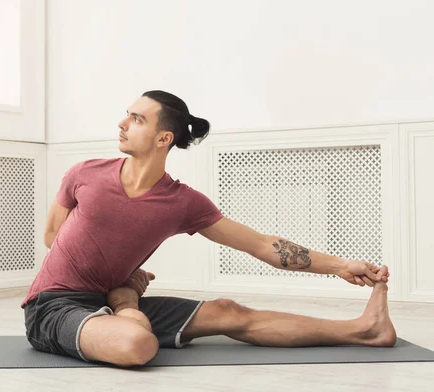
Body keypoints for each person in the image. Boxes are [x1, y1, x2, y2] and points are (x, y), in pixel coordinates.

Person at [22, 90, 396, 367]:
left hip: (105, 299)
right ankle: (125, 306)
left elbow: (263, 245)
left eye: (136, 119)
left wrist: (341, 266)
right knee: (135, 343)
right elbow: (52, 236)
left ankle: (364, 329)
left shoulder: (182, 202)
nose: (122, 123)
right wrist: (123, 294)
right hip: (54, 306)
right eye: (127, 115)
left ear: (163, 138)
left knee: (228, 311)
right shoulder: (84, 174)